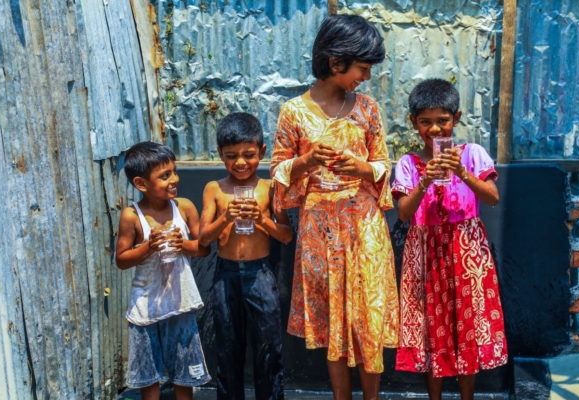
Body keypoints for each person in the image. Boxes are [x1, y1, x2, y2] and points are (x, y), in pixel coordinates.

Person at [270, 14, 399, 400]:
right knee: (333, 325)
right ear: (335, 61)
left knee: (369, 317)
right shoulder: (293, 112)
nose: (367, 76)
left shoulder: (368, 109)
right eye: (363, 67)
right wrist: (307, 162)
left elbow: (383, 166)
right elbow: (277, 169)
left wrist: (361, 169)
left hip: (365, 228)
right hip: (320, 232)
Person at [392, 78, 508, 400]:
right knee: (431, 333)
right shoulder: (408, 164)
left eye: (442, 121)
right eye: (425, 122)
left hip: (467, 251)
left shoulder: (472, 154)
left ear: (455, 119)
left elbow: (493, 197)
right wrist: (424, 181)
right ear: (413, 123)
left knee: (466, 330)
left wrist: (462, 173)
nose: (434, 130)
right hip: (425, 254)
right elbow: (403, 214)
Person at [198, 113, 293, 400]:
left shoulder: (270, 187)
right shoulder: (214, 189)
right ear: (220, 155)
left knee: (268, 347)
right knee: (228, 348)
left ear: (262, 152)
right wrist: (225, 217)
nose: (240, 163)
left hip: (260, 275)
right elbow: (203, 239)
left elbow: (286, 235)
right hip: (225, 275)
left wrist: (263, 221)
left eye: (249, 155)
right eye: (231, 156)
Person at [115, 141, 211, 400]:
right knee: (149, 372)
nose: (174, 179)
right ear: (141, 184)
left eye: (175, 171)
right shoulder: (131, 216)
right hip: (146, 305)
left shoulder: (184, 207)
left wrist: (184, 245)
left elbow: (202, 248)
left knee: (184, 368)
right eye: (165, 175)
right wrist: (147, 248)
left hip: (180, 301)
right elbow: (121, 259)